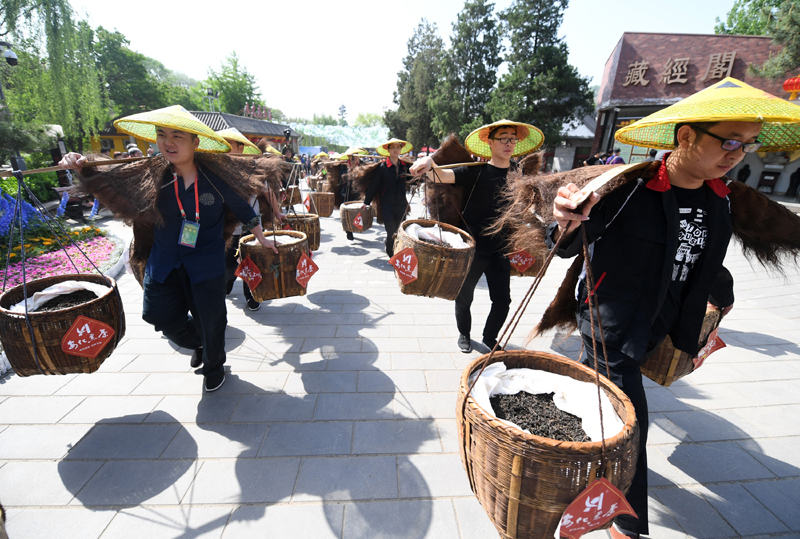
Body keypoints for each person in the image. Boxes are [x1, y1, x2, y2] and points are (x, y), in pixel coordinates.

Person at [548, 78, 792, 539]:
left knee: (604, 400)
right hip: (611, 322)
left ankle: (585, 440)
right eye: (729, 141)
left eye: (747, 145)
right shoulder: (626, 189)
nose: (737, 154)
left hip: (663, 323)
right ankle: (626, 522)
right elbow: (562, 245)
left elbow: (699, 259)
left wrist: (721, 298)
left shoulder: (718, 199)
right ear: (685, 137)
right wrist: (564, 218)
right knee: (632, 416)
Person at [60, 105, 281, 393]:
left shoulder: (216, 176)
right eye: (162, 135)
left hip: (206, 263)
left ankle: (214, 364)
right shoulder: (150, 175)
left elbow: (241, 207)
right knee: (157, 314)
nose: (168, 142)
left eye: (178, 136)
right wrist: (82, 163)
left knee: (212, 320)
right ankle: (198, 342)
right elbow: (110, 178)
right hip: (164, 262)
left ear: (195, 143)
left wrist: (261, 237)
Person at [410, 120, 544, 353]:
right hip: (472, 248)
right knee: (464, 297)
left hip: (502, 249)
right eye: (503, 138)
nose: (509, 143)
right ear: (489, 142)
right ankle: (464, 333)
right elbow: (440, 176)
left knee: (503, 301)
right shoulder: (474, 171)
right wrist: (429, 163)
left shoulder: (518, 174)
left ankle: (490, 337)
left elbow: (529, 201)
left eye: (513, 138)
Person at [216, 127, 285, 311]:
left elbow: (268, 193)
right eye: (221, 145)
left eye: (229, 145)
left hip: (251, 226)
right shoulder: (215, 171)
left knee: (251, 261)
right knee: (229, 264)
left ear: (240, 148)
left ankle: (252, 295)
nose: (225, 149)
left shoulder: (252, 169)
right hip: (226, 229)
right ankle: (229, 280)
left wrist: (277, 212)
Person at [363, 138, 413, 257]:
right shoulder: (383, 167)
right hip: (387, 206)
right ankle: (391, 253)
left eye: (398, 147)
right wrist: (366, 202)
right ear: (388, 150)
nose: (396, 150)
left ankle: (396, 250)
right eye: (393, 148)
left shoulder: (405, 167)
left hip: (401, 204)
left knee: (400, 231)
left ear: (401, 150)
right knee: (391, 231)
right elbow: (374, 185)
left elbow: (412, 180)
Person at [339, 148, 367, 240]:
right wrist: (349, 169)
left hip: (358, 192)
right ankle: (348, 232)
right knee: (347, 212)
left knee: (356, 212)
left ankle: (355, 226)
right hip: (346, 193)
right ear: (349, 157)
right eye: (353, 157)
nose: (355, 159)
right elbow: (341, 179)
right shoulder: (343, 166)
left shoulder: (363, 165)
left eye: (356, 156)